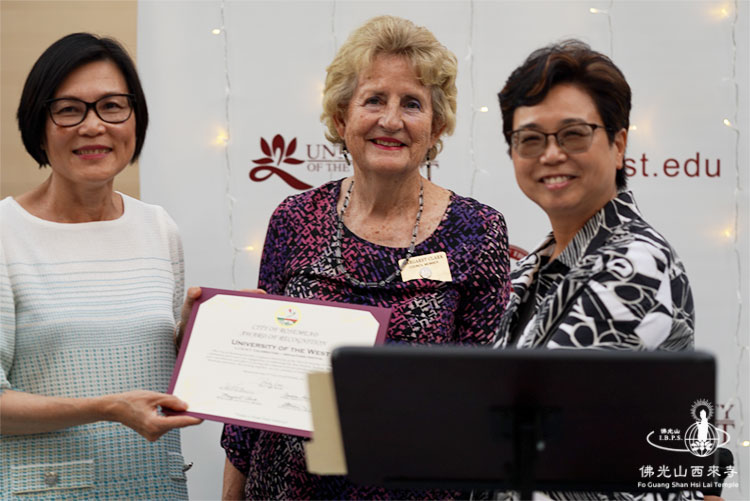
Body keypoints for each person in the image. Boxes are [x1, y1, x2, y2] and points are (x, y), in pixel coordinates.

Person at [220, 15, 511, 500]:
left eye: (412, 103)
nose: (391, 121)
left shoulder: (478, 231)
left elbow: (482, 400)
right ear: (342, 118)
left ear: (436, 126)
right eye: (374, 99)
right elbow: (252, 401)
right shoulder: (295, 219)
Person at [493, 40, 699, 501]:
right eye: (530, 139)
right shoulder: (531, 268)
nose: (551, 154)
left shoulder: (638, 261)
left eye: (573, 134)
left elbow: (542, 428)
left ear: (618, 144)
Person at [0, 33, 201, 499]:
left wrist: (195, 336)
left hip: (156, 487)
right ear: (38, 125)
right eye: (69, 110)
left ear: (135, 119)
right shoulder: (7, 232)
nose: (93, 126)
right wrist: (107, 408)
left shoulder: (158, 227)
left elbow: (151, 370)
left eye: (112, 106)